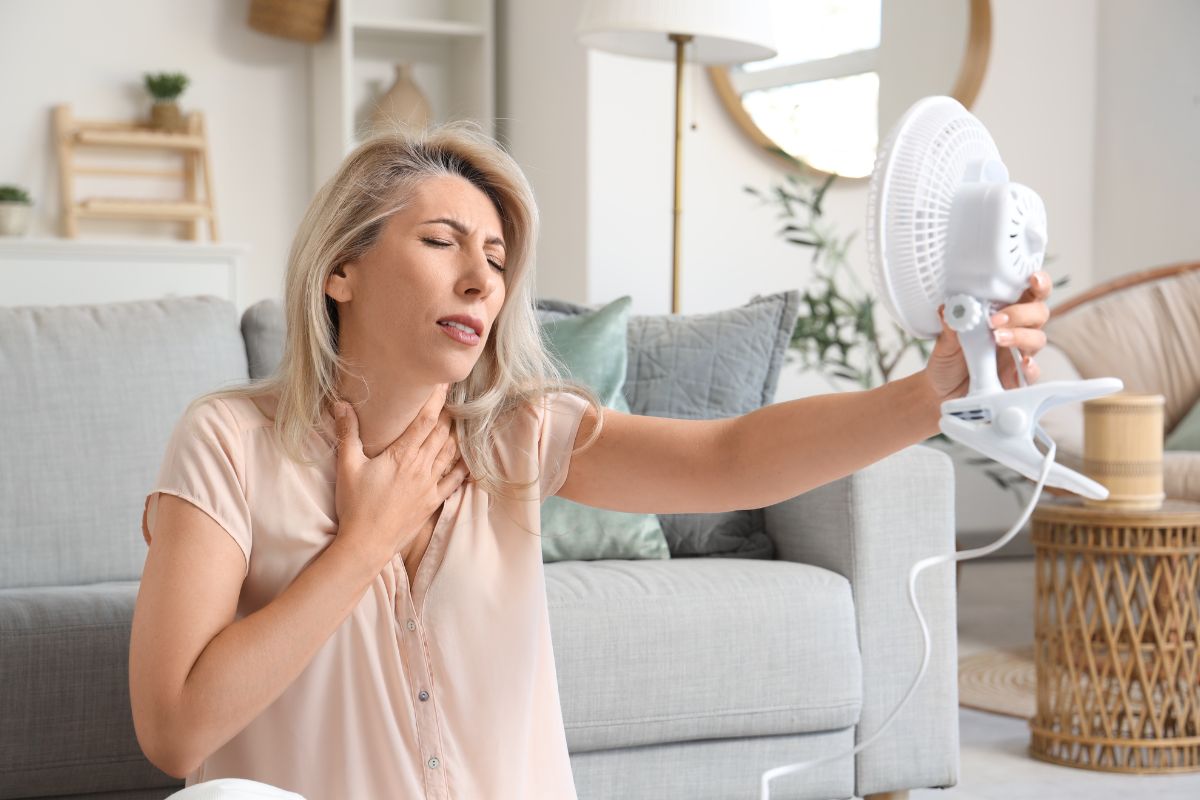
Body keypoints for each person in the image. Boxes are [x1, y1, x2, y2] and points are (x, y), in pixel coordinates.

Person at [130, 122, 1051, 798]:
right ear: (342, 268)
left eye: (496, 257)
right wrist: (362, 546)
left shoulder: (515, 433)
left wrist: (934, 390)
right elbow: (176, 734)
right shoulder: (227, 442)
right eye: (441, 242)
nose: (481, 278)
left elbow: (730, 457)